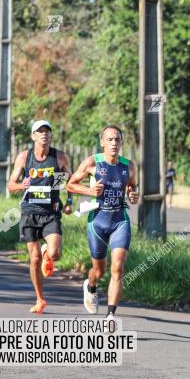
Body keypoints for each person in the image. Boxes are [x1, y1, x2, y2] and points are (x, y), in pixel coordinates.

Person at [67, 125, 138, 320]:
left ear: (121, 142)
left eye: (117, 139)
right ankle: (90, 286)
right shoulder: (92, 163)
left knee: (118, 267)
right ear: (102, 142)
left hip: (119, 220)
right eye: (109, 139)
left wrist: (133, 195)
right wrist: (90, 192)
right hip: (97, 221)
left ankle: (110, 317)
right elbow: (70, 185)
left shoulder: (129, 166)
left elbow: (132, 186)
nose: (114, 143)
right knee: (98, 270)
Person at [7, 120, 73, 314]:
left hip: (51, 212)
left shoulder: (59, 157)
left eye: (47, 131)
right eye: (40, 131)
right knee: (34, 259)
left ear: (51, 136)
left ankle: (47, 253)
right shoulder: (24, 157)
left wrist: (69, 201)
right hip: (29, 212)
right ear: (33, 136)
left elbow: (68, 182)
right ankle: (39, 299)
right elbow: (11, 185)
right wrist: (21, 185)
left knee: (55, 254)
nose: (44, 134)